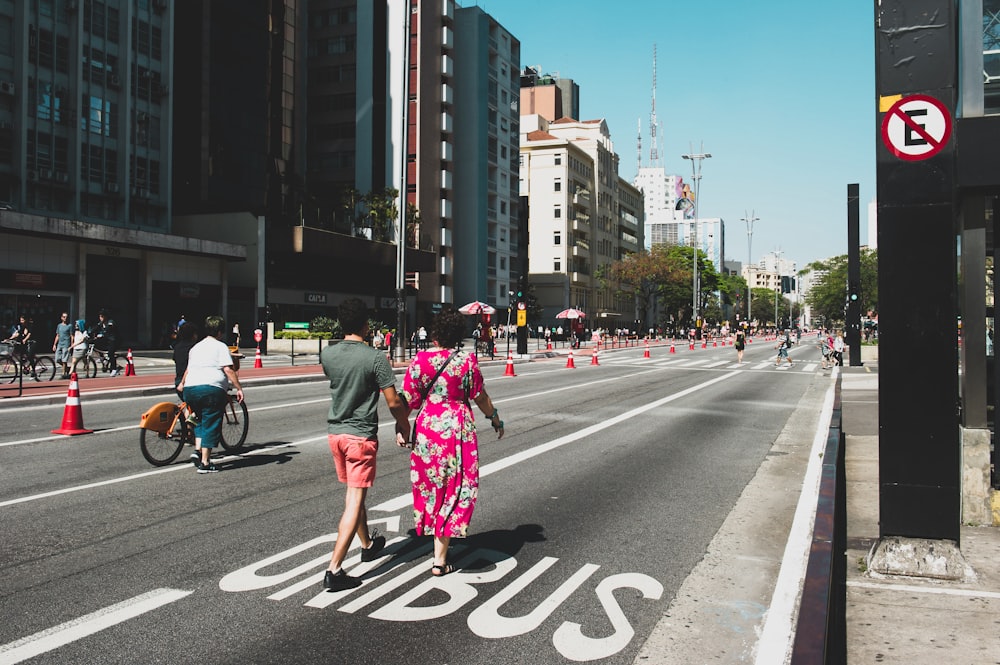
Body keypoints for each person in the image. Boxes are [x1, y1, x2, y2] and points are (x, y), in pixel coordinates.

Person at [400, 308, 504, 577]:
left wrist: (401, 427)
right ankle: (439, 558)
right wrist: (494, 418)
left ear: (434, 336)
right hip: (457, 428)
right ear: (458, 335)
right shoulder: (466, 361)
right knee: (456, 486)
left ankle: (436, 548)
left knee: (430, 486)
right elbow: (479, 396)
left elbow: (407, 399)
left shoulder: (420, 361)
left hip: (427, 429)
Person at [320, 298, 410, 592]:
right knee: (354, 500)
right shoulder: (375, 358)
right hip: (360, 437)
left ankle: (368, 544)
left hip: (336, 435)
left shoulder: (328, 355)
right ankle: (334, 570)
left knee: (353, 495)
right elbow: (394, 401)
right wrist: (403, 423)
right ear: (365, 324)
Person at [176, 315, 244, 474]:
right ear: (220, 332)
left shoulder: (195, 348)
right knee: (211, 421)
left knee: (199, 420)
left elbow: (188, 369)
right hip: (211, 389)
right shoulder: (221, 347)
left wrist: (182, 384)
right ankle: (205, 463)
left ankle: (198, 451)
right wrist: (239, 387)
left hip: (190, 389)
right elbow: (228, 369)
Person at [91, 309, 120, 376]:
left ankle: (114, 369)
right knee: (95, 343)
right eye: (100, 316)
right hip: (106, 340)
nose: (101, 318)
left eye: (102, 316)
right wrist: (88, 333)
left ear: (105, 316)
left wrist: (103, 334)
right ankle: (102, 358)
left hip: (114, 341)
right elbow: (95, 328)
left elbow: (109, 330)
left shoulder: (110, 322)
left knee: (110, 353)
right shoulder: (101, 323)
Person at [52, 312, 73, 379]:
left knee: (64, 360)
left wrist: (71, 345)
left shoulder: (69, 326)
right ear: (61, 318)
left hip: (66, 344)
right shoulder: (59, 326)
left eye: (66, 317)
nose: (65, 318)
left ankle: (63, 373)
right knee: (57, 359)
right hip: (60, 344)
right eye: (64, 317)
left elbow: (72, 336)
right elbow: (57, 335)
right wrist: (54, 344)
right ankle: (67, 368)